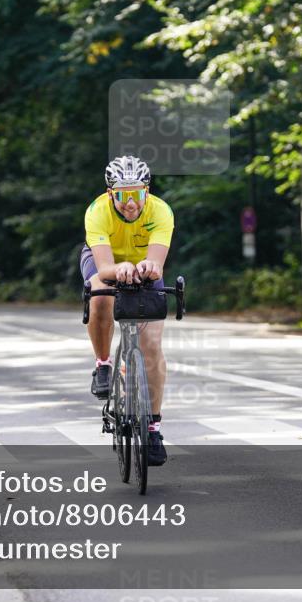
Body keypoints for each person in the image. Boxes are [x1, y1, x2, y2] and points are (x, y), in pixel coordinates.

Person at [81, 155, 174, 466]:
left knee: (151, 347)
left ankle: (153, 428)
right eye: (123, 195)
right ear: (111, 195)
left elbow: (157, 262)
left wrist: (149, 267)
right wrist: (119, 268)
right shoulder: (97, 212)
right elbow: (106, 267)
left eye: (136, 194)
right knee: (100, 293)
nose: (130, 203)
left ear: (146, 191)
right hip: (105, 261)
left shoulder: (160, 211)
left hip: (144, 265)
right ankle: (104, 363)